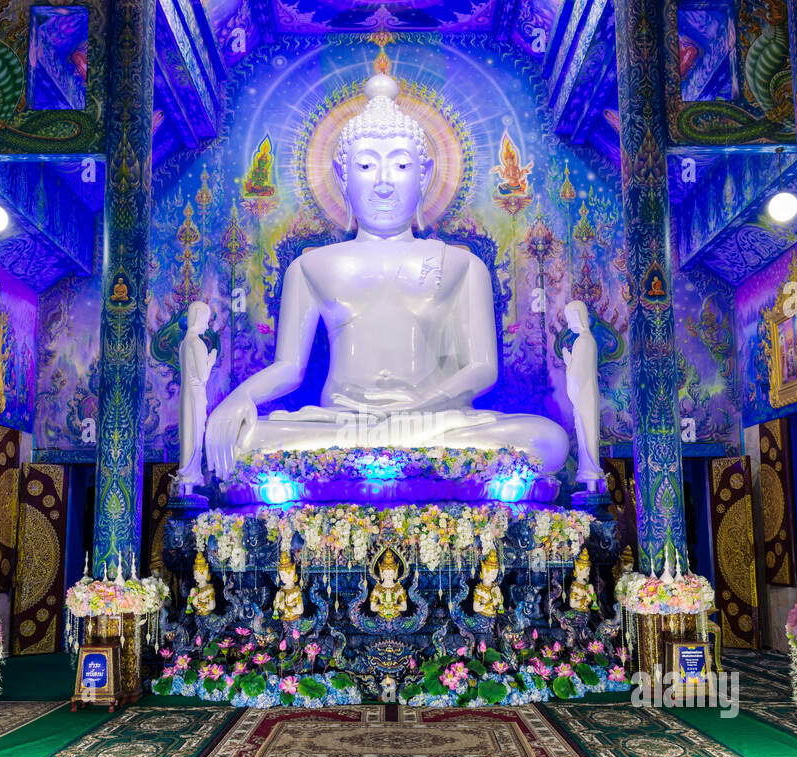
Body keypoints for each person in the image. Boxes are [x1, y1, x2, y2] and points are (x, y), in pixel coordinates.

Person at [204, 72, 569, 477]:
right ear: (342, 177)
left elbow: (483, 369)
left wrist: (418, 408)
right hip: (341, 425)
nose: (382, 183)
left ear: (425, 175)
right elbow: (289, 368)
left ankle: (369, 461)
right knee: (242, 438)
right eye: (364, 165)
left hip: (435, 424)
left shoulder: (463, 266)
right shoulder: (309, 266)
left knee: (546, 440)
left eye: (399, 164)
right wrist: (238, 399)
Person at [562, 300, 604, 490]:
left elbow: (577, 376)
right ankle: (590, 481)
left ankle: (591, 477)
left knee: (587, 434)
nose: (569, 323)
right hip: (586, 395)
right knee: (585, 434)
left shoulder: (583, 341)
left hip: (584, 396)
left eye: (570, 317)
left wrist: (568, 363)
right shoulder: (587, 341)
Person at [177, 302, 217, 491]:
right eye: (206, 320)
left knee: (189, 432)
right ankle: (190, 476)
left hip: (185, 395)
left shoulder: (184, 344)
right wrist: (211, 360)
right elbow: (203, 376)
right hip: (196, 393)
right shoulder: (198, 344)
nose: (207, 326)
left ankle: (187, 480)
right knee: (195, 433)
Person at [369, 550, 407, 620]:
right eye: (386, 574)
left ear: (396, 573)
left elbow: (404, 607)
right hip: (381, 617)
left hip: (396, 617)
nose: (389, 576)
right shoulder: (377, 589)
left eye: (391, 574)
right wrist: (381, 607)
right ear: (381, 574)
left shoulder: (399, 588)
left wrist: (395, 607)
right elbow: (373, 607)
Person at [273, 548, 304, 622]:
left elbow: (300, 610)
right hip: (284, 619)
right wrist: (277, 602)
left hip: (294, 620)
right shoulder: (282, 589)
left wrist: (286, 608)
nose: (282, 578)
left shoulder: (296, 591)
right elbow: (276, 606)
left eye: (284, 575)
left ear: (291, 573)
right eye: (281, 575)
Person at [471, 550, 504, 617]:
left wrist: (499, 598)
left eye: (496, 573)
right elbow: (476, 608)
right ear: (485, 571)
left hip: (494, 616)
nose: (494, 576)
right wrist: (490, 603)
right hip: (483, 618)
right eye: (492, 573)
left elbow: (499, 603)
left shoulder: (495, 587)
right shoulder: (480, 589)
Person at [567, 547, 596, 613]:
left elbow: (591, 601)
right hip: (577, 614)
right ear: (578, 569)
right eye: (586, 571)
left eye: (589, 571)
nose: (588, 573)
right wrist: (586, 599)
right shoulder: (575, 586)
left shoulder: (586, 584)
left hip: (585, 612)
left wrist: (592, 593)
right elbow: (572, 604)